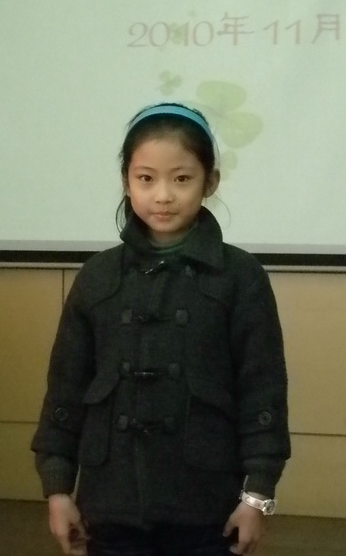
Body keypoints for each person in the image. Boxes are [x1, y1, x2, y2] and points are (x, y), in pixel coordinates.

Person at [31, 103, 290, 556]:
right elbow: (65, 391)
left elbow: (262, 393)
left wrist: (257, 496)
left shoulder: (240, 277)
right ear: (126, 181)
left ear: (211, 181)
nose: (164, 195)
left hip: (207, 507)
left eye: (182, 178)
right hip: (110, 505)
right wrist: (57, 489)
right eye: (146, 179)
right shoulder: (98, 277)